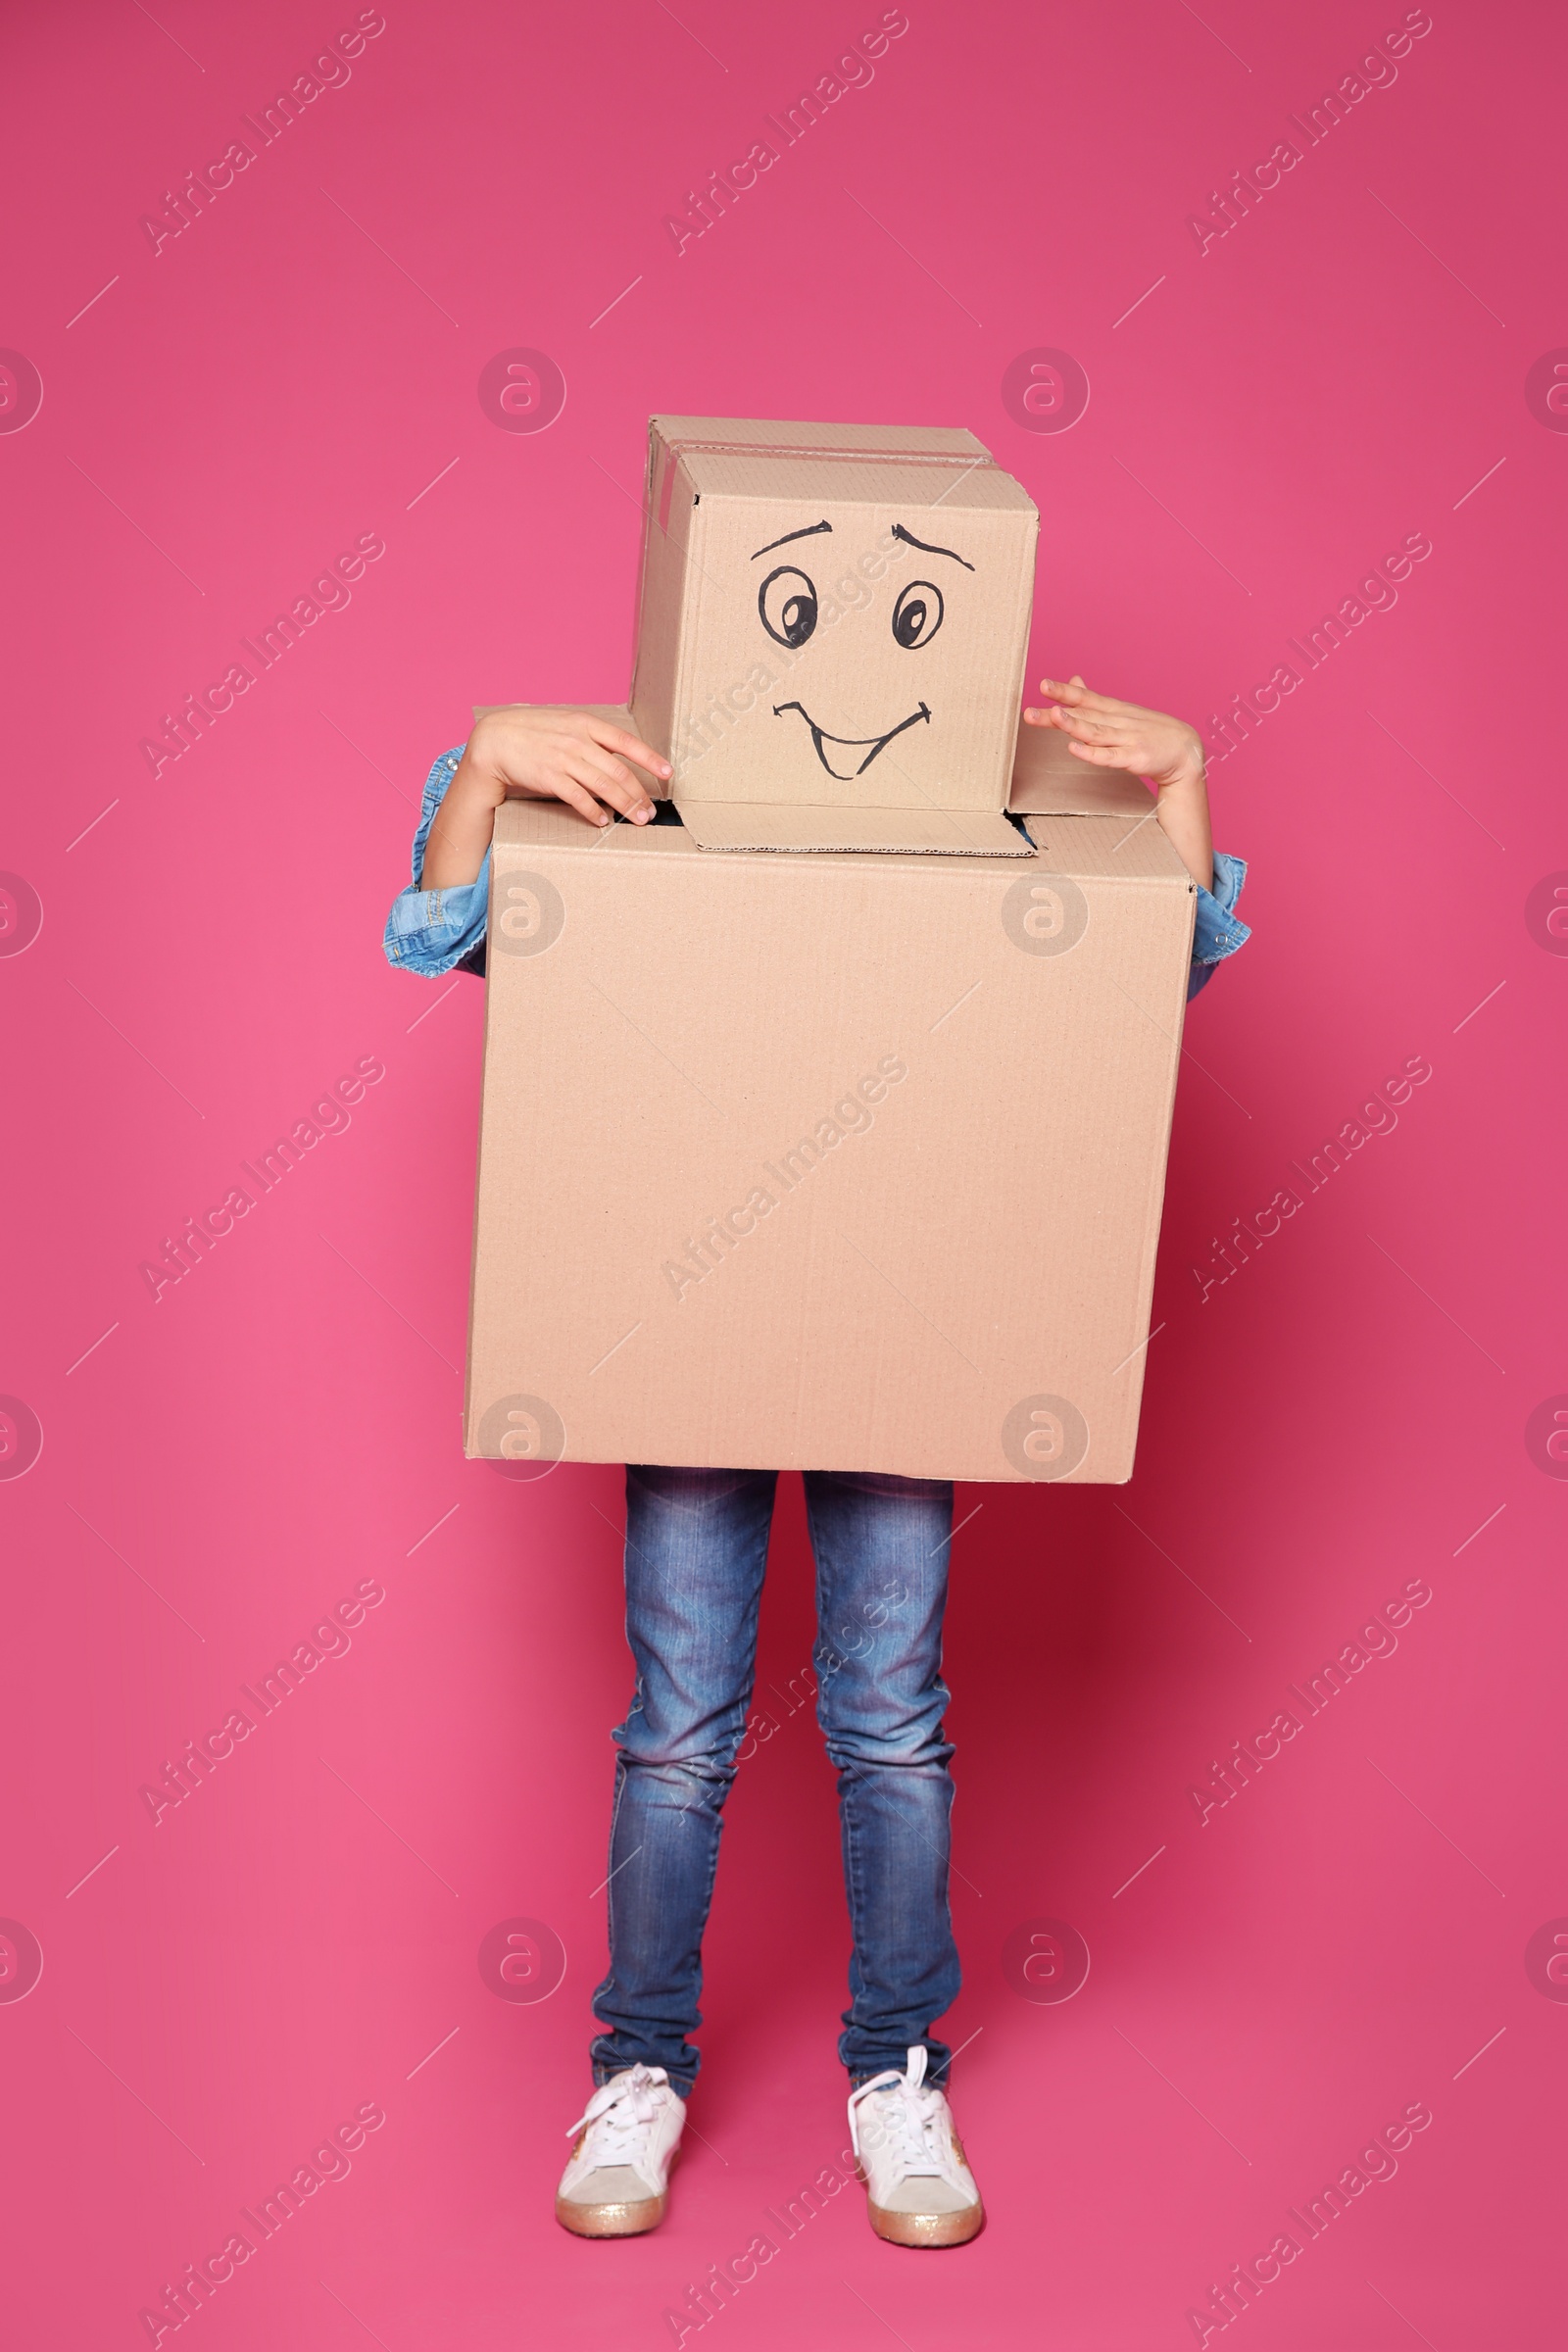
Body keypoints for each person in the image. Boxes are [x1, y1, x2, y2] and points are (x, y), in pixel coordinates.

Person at [384, 676, 1250, 2247]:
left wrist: (1183, 783)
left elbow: (1144, 975)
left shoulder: (979, 842)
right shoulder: (649, 811)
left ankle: (898, 2068)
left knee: (888, 1725)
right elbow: (443, 931)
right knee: (681, 1730)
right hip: (699, 1334)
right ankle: (639, 2064)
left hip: (899, 1337)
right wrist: (488, 759)